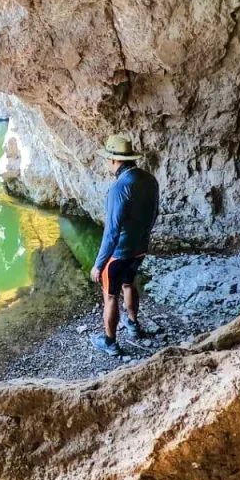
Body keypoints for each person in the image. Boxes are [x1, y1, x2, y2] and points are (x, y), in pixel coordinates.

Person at [89, 134, 159, 356]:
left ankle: (110, 342)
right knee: (130, 284)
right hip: (139, 250)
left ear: (113, 160)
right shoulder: (149, 179)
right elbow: (154, 213)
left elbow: (111, 232)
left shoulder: (119, 187)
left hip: (118, 255)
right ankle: (133, 324)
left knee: (110, 297)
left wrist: (99, 265)